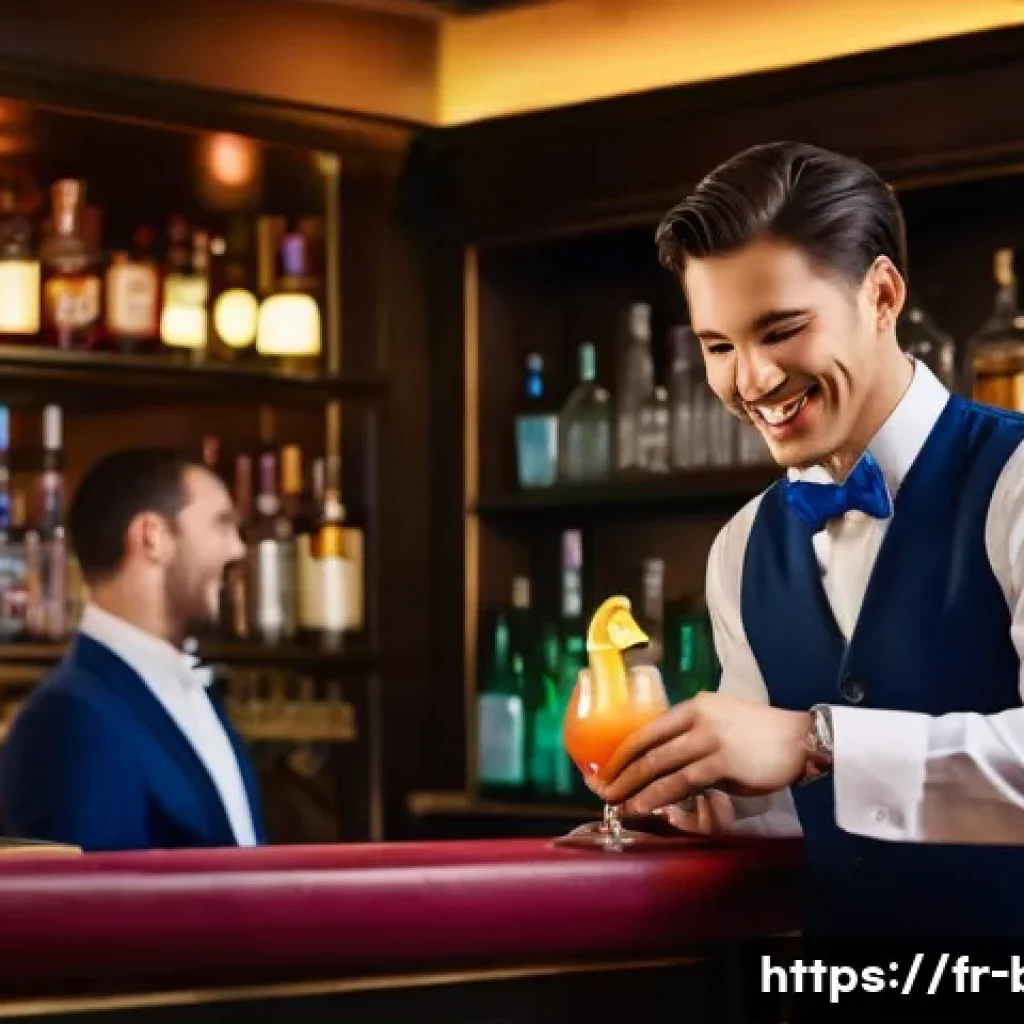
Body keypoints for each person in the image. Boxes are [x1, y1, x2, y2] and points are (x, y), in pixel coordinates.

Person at [594, 141, 1024, 937]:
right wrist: (707, 803)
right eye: (719, 346)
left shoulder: (1015, 481)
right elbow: (799, 813)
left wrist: (815, 740)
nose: (750, 381)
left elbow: (812, 754)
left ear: (882, 296)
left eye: (782, 330)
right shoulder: (742, 547)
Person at [0, 448, 265, 852]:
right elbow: (86, 891)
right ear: (151, 537)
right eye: (221, 524)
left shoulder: (189, 689)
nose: (238, 549)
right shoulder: (67, 721)